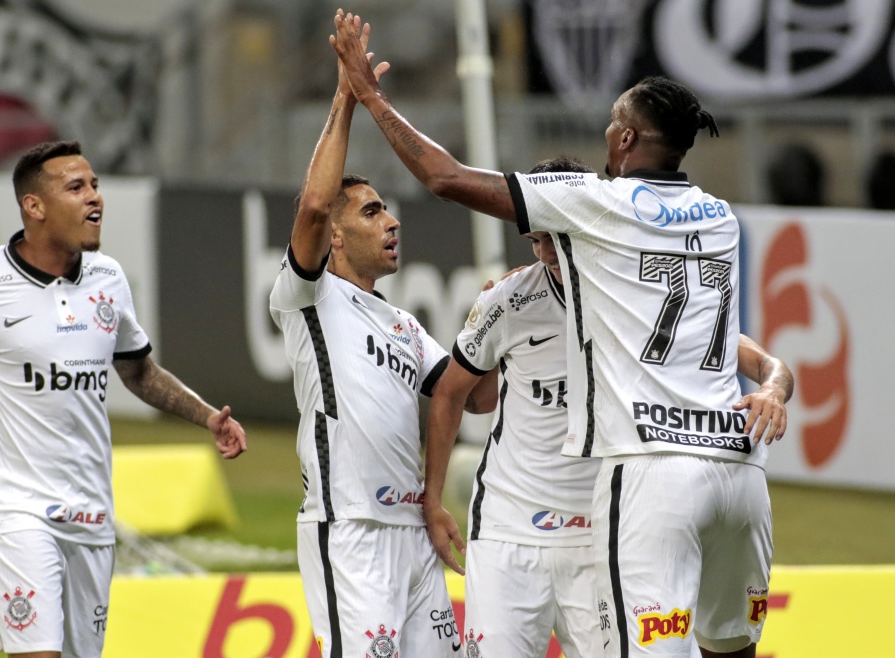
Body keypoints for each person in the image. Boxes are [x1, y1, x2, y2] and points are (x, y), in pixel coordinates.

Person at [332, 17, 793, 658]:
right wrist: (774, 382)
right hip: (741, 468)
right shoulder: (719, 217)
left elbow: (445, 177)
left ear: (626, 137)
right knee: (731, 646)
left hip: (657, 469)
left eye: (611, 121)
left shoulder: (598, 201)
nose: (605, 130)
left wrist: (371, 97)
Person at [426, 154, 794, 658]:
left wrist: (773, 387)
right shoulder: (512, 300)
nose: (548, 252)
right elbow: (462, 394)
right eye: (537, 240)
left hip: (604, 528)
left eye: (557, 237)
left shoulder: (637, 297)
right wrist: (432, 498)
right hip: (511, 528)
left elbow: (761, 360)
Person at [269, 14, 493, 658]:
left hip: (415, 534)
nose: (392, 222)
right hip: (351, 531)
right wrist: (347, 94)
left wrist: (502, 323)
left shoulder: (404, 326)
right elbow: (312, 206)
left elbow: (473, 396)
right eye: (372, 211)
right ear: (336, 236)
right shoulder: (307, 294)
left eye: (388, 209)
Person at [0, 140, 247, 658]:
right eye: (76, 188)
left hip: (93, 513)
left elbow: (138, 370)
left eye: (95, 185)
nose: (95, 197)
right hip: (14, 511)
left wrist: (207, 416)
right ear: (34, 206)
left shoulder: (108, 279)